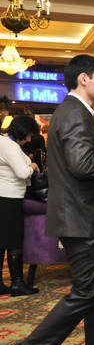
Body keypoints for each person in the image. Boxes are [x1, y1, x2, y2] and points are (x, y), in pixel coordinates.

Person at [5, 55, 94, 345]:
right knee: (86, 293)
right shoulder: (74, 113)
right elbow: (84, 165)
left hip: (83, 216)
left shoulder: (75, 112)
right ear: (84, 79)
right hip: (79, 218)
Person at [0, 115, 40, 297]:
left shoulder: (4, 142)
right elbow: (23, 173)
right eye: (30, 134)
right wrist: (32, 166)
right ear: (23, 132)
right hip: (10, 197)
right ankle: (17, 284)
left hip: (3, 196)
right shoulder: (11, 146)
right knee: (14, 242)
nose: (30, 139)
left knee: (2, 243)